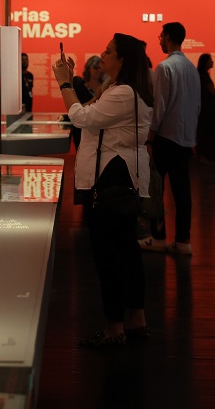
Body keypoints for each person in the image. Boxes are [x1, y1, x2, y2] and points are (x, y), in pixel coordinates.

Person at [52, 34, 153, 346]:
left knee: (110, 256)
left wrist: (65, 83)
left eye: (109, 51)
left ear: (122, 60)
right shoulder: (122, 89)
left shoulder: (123, 92)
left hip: (113, 176)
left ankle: (114, 328)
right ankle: (135, 320)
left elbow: (81, 117)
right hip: (120, 174)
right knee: (126, 251)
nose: (102, 55)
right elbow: (89, 111)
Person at [142, 22, 201, 256]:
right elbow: (197, 106)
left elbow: (159, 106)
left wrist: (150, 136)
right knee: (182, 191)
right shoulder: (192, 68)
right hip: (185, 138)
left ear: (167, 37)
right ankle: (183, 240)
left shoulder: (165, 67)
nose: (159, 40)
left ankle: (158, 237)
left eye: (161, 36)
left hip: (165, 138)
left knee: (156, 188)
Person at [68, 55, 106, 149]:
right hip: (81, 128)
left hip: (99, 128)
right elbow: (77, 109)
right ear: (89, 68)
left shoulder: (106, 86)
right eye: (95, 68)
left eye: (100, 68)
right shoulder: (79, 84)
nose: (99, 70)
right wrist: (95, 98)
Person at [196, 53, 215, 163]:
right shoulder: (204, 76)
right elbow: (212, 92)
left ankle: (203, 155)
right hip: (206, 109)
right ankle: (205, 155)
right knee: (207, 132)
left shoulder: (201, 75)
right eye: (210, 60)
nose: (212, 62)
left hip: (203, 108)